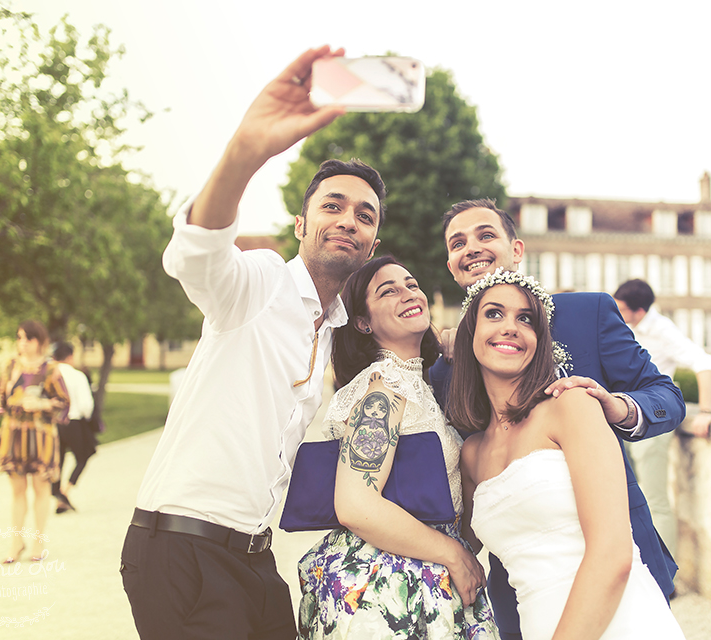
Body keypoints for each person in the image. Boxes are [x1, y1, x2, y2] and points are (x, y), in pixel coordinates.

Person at [120, 46, 383, 640]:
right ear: (301, 224)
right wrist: (248, 150)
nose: (348, 220)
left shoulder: (337, 328)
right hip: (182, 547)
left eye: (364, 216)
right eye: (332, 206)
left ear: (372, 240)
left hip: (254, 559)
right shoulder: (262, 282)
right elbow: (198, 257)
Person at [432, 198, 685, 638]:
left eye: (485, 235)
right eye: (458, 243)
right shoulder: (444, 370)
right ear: (452, 266)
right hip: (522, 588)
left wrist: (616, 406)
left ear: (517, 250)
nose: (471, 247)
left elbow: (667, 395)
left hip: (618, 559)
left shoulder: (589, 314)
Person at [297, 256, 498, 639]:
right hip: (388, 584)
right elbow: (357, 505)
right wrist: (454, 553)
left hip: (428, 573)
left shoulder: (418, 386)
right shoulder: (384, 389)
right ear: (362, 322)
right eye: (388, 290)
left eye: (410, 283)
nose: (408, 293)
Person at [614, 278, 711, 556]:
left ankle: (666, 580)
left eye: (621, 309)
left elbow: (704, 362)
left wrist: (705, 412)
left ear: (639, 311)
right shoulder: (625, 327)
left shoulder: (663, 331)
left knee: (654, 500)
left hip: (652, 424)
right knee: (629, 499)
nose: (617, 313)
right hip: (623, 421)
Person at [0, 320, 69, 563]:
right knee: (17, 491)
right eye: (19, 337)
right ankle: (16, 542)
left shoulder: (51, 369)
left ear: (40, 341)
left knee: (40, 489)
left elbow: (64, 404)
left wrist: (41, 403)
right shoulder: (10, 365)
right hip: (13, 434)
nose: (22, 343)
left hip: (41, 435)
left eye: (28, 338)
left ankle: (38, 541)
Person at [50, 342, 96, 514]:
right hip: (74, 422)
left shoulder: (50, 376)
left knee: (57, 460)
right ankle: (64, 491)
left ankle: (58, 496)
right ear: (70, 356)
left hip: (54, 423)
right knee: (84, 455)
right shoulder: (77, 376)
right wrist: (89, 419)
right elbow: (86, 404)